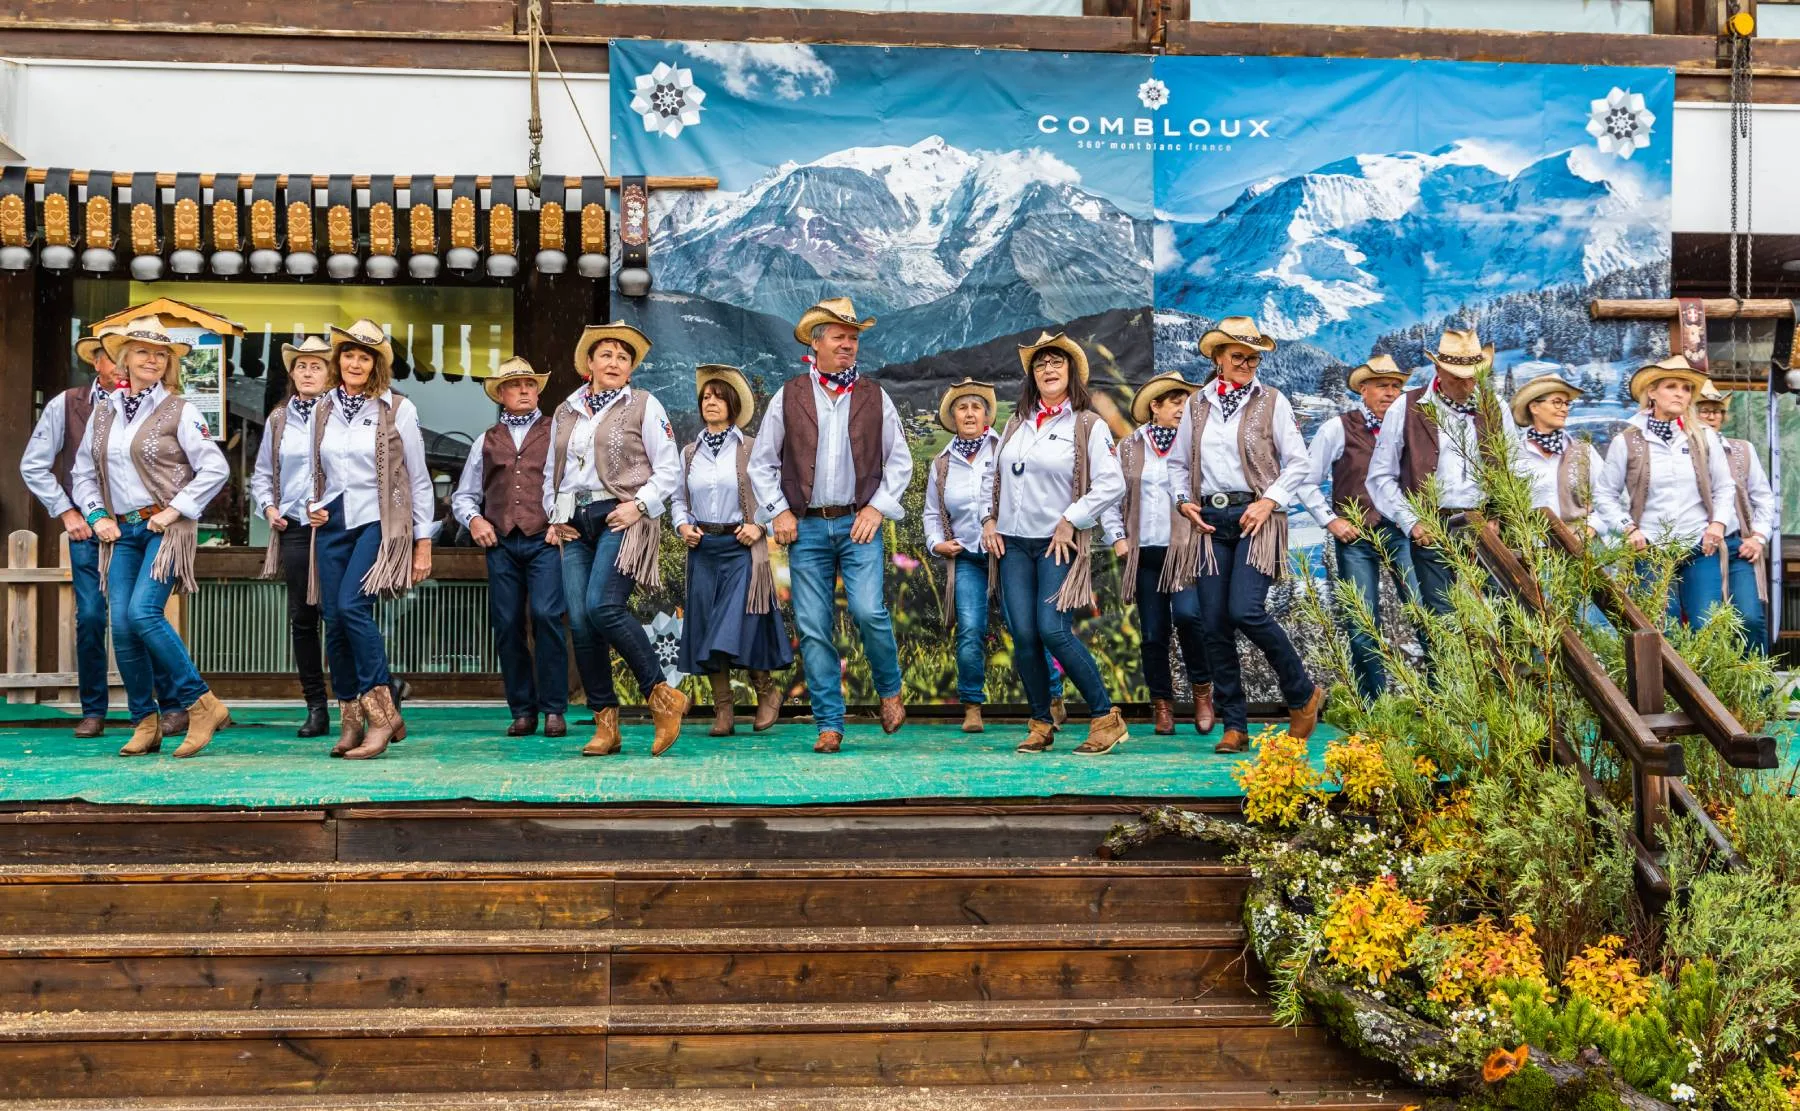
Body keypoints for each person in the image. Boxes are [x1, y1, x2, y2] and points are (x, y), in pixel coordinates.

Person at [748, 297, 913, 755]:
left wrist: (877, 508)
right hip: (808, 527)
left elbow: (898, 463)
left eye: (853, 338)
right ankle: (829, 724)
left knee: (867, 610)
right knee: (815, 626)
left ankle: (890, 689)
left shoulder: (875, 395)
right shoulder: (790, 394)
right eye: (839, 336)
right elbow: (762, 464)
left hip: (859, 521)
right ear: (816, 343)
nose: (848, 344)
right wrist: (778, 511)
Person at [69, 316, 232, 758]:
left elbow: (215, 468)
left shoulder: (181, 410)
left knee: (143, 613)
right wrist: (97, 513)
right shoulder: (105, 412)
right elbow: (83, 471)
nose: (153, 360)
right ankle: (145, 721)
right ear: (124, 358)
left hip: (166, 526)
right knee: (120, 625)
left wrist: (175, 511)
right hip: (121, 529)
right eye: (144, 351)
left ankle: (202, 704)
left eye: (161, 354)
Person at [1165, 317, 1322, 755]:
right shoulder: (1197, 405)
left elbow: (1298, 462)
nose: (1248, 363)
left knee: (1244, 610)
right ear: (1218, 358)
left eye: (1253, 357)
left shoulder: (1273, 400)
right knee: (1213, 624)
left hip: (1257, 516)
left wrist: (1268, 501)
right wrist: (1183, 501)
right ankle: (1234, 726)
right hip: (1210, 521)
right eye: (1239, 356)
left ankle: (1302, 691)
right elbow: (1177, 464)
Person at [21, 323, 185, 739]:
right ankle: (94, 709)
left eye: (151, 355)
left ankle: (170, 707)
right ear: (99, 361)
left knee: (142, 616)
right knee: (92, 616)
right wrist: (69, 512)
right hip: (88, 527)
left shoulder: (156, 404)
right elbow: (34, 464)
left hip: (139, 521)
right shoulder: (69, 404)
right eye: (116, 356)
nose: (126, 365)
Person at [980, 331, 1128, 755]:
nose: (1048, 369)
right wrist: (989, 519)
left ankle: (1105, 717)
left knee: (1052, 630)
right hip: (1011, 543)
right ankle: (1041, 722)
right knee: (1023, 635)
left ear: (1072, 373)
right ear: (1032, 375)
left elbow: (1111, 483)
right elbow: (996, 480)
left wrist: (1071, 520)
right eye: (1040, 364)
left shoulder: (1087, 424)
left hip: (1055, 544)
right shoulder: (1015, 422)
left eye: (1056, 362)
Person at [545, 322, 688, 757]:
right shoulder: (566, 410)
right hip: (575, 519)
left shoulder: (645, 404)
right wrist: (554, 516)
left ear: (630, 369)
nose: (613, 363)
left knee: (603, 606)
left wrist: (639, 506)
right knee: (582, 622)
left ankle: (660, 694)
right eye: (605, 355)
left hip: (622, 514)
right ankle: (606, 723)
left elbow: (668, 469)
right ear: (589, 363)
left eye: (623, 358)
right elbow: (553, 471)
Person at [307, 318, 435, 760]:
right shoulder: (322, 407)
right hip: (333, 521)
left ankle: (382, 715)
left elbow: (419, 479)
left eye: (365, 356)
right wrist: (312, 504)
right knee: (332, 617)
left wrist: (423, 541)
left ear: (377, 363)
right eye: (348, 354)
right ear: (338, 359)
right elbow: (315, 472)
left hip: (379, 521)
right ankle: (351, 717)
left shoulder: (398, 408)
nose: (355, 362)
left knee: (351, 607)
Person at [924, 378, 1066, 734]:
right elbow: (930, 512)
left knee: (1026, 629)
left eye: (976, 407)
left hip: (1008, 554)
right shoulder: (941, 463)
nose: (969, 413)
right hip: (969, 557)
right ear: (952, 417)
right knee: (970, 630)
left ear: (987, 415)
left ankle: (1052, 697)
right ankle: (972, 706)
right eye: (962, 407)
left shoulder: (1005, 448)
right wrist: (936, 543)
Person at [450, 356, 568, 739]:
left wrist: (560, 521)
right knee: (507, 623)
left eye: (530, 385)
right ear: (501, 394)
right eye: (515, 385)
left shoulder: (557, 433)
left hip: (544, 538)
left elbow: (572, 482)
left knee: (548, 617)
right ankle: (522, 710)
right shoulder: (487, 440)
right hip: (501, 542)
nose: (523, 390)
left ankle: (553, 709)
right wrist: (475, 520)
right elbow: (464, 495)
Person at [672, 364, 791, 735]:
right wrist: (682, 525)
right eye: (706, 397)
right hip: (704, 548)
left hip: (742, 549)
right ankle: (723, 711)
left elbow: (778, 497)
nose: (710, 402)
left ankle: (767, 692)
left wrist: (760, 526)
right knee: (708, 628)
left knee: (737, 625)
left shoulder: (753, 449)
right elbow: (678, 498)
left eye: (718, 397)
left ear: (733, 404)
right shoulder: (689, 452)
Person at [1367, 328, 1517, 622]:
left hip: (1486, 523)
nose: (1466, 383)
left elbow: (1512, 465)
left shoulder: (1495, 406)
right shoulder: (1407, 406)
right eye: (1456, 376)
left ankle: (1503, 669)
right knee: (1444, 619)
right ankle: (1448, 669)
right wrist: (1413, 522)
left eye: (1472, 375)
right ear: (1437, 368)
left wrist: (1498, 514)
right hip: (1432, 524)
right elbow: (1380, 475)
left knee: (1506, 613)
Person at [1298, 354, 1416, 704]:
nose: (1391, 392)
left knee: (1425, 614)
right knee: (1362, 622)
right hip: (1356, 538)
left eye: (1396, 386)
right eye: (1382, 386)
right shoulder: (1337, 428)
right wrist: (1330, 520)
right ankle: (1374, 706)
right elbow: (1306, 480)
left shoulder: (1414, 426)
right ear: (1363, 389)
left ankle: (1439, 703)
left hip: (1405, 532)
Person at [1102, 371, 1214, 736]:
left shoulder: (1197, 444)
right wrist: (1117, 535)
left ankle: (1202, 694)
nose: (1184, 409)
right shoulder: (1129, 447)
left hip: (1183, 551)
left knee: (1188, 618)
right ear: (1155, 406)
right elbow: (1110, 495)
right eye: (1176, 402)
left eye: (1187, 403)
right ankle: (1162, 705)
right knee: (1152, 634)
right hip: (1145, 550)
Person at [1595, 355, 1735, 630]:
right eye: (1672, 386)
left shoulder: (1705, 437)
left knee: (1707, 626)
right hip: (1651, 547)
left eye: (1686, 389)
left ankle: (1705, 676)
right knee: (1661, 628)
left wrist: (1718, 524)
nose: (1680, 393)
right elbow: (1604, 494)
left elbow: (1724, 486)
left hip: (1699, 545)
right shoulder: (1626, 441)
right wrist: (1628, 529)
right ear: (1652, 392)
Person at [250, 336, 334, 738]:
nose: (308, 372)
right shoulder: (279, 419)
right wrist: (269, 507)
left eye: (317, 365)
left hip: (337, 526)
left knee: (343, 614)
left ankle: (373, 690)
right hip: (296, 528)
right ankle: (316, 706)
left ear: (330, 372)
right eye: (301, 365)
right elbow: (263, 472)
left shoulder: (343, 415)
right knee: (303, 619)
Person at [1693, 380, 1773, 651]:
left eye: (1717, 410)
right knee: (1704, 622)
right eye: (1703, 410)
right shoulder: (1681, 451)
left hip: (1737, 544)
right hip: (1696, 547)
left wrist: (1758, 537)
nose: (1712, 416)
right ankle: (1710, 691)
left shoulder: (1742, 450)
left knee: (1749, 617)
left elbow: (1763, 499)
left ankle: (1757, 692)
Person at [1508, 374, 1617, 538]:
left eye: (1567, 403)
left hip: (1582, 548)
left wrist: (1592, 527)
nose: (1565, 409)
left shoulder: (1584, 451)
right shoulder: (1515, 454)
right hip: (1533, 552)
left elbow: (1606, 495)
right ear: (1534, 407)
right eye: (1557, 402)